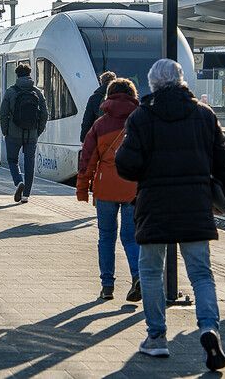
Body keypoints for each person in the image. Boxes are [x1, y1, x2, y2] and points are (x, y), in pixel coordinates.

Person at [115, 59, 225, 370]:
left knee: (151, 273)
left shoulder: (142, 117)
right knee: (201, 274)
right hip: (195, 206)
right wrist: (224, 196)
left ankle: (156, 339)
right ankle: (209, 328)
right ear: (182, 81)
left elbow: (127, 166)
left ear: (153, 84)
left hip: (155, 206)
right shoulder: (204, 115)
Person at [76, 78, 140, 303]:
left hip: (105, 187)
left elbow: (88, 159)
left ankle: (107, 286)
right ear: (133, 95)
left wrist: (83, 189)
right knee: (131, 237)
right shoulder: (140, 122)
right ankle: (137, 276)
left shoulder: (100, 125)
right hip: (133, 187)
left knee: (106, 237)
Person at [0, 63, 48, 203]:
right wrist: (37, 131)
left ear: (17, 75)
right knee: (29, 163)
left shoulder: (11, 91)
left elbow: (3, 114)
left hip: (13, 134)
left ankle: (18, 181)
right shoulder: (37, 92)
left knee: (12, 160)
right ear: (30, 74)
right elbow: (45, 114)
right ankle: (26, 195)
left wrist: (5, 131)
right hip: (32, 134)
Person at [80, 71, 116, 143]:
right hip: (119, 138)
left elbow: (87, 121)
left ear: (101, 82)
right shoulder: (123, 96)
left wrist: (83, 138)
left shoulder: (94, 98)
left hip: (101, 138)